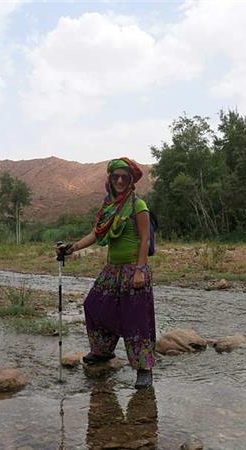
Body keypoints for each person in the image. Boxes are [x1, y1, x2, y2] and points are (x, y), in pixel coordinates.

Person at [57, 157, 156, 389]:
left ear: (130, 180)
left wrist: (140, 270)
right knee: (94, 305)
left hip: (134, 269)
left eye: (124, 177)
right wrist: (72, 248)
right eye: (115, 177)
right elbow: (96, 234)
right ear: (109, 180)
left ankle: (144, 369)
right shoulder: (109, 206)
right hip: (112, 270)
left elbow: (145, 239)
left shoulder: (138, 205)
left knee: (137, 320)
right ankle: (102, 352)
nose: (120, 180)